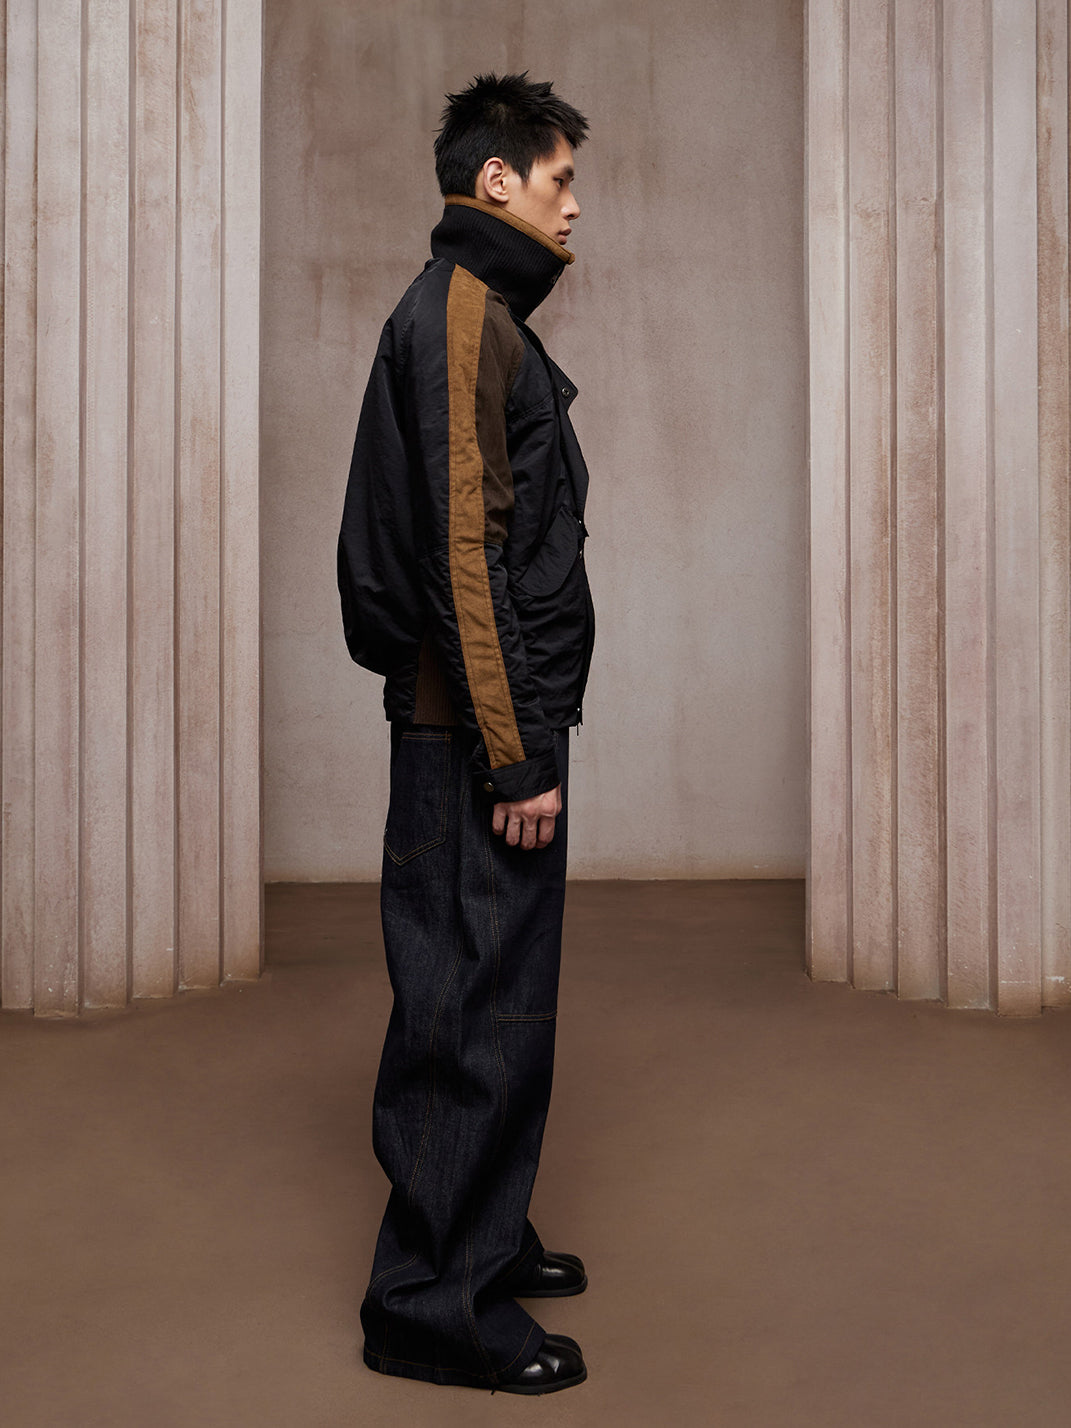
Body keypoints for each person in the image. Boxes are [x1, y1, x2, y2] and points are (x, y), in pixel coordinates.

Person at [337, 71, 596, 1396]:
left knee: (503, 1001)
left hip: (496, 721)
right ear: (497, 179)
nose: (574, 209)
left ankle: (485, 1235)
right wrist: (514, 753)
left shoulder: (485, 313)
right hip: (471, 734)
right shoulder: (456, 317)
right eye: (560, 181)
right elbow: (462, 557)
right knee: (467, 1015)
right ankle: (431, 1306)